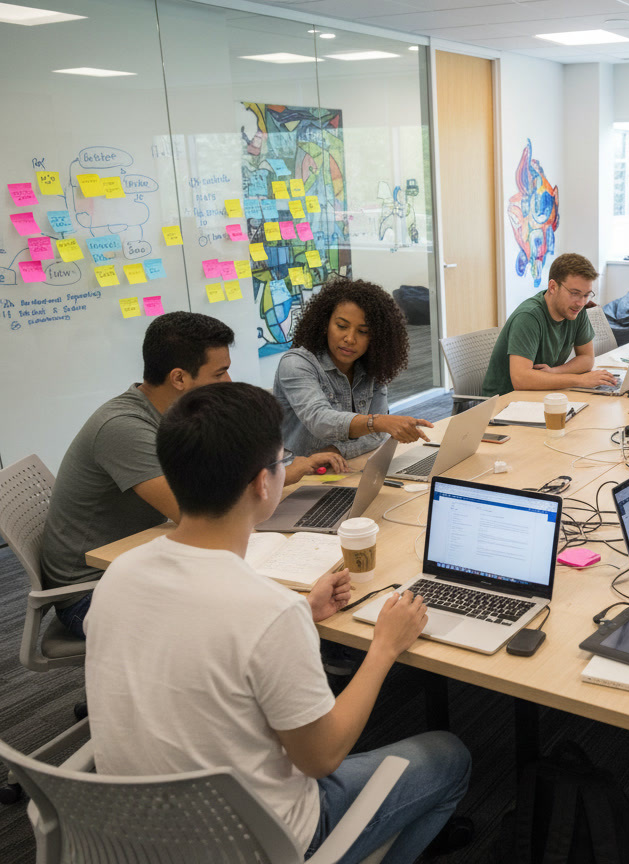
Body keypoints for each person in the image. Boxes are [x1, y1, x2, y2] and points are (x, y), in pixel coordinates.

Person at [84, 382, 470, 864]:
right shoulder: (267, 610)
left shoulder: (119, 575)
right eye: (283, 459)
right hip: (258, 846)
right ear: (261, 484)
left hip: (132, 837)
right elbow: (320, 758)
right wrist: (383, 648)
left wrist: (302, 613)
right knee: (448, 756)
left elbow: (198, 642)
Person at [40, 312, 344, 640]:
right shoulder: (123, 428)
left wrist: (283, 471)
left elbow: (221, 481)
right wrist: (270, 477)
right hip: (93, 590)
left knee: (260, 591)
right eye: (220, 372)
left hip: (142, 561)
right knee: (251, 608)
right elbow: (196, 513)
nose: (228, 381)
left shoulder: (182, 417)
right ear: (179, 378)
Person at [274, 279, 434, 459]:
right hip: (299, 472)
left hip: (347, 464)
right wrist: (377, 422)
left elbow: (377, 435)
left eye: (363, 331)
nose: (350, 339)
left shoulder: (372, 366)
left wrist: (336, 451)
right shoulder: (296, 364)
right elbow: (320, 421)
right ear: (325, 324)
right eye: (341, 326)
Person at [481, 252, 617, 396]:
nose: (581, 302)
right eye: (574, 293)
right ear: (552, 287)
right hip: (505, 401)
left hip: (541, 394)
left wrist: (554, 371)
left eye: (586, 295)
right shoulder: (528, 317)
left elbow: (587, 359)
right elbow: (521, 379)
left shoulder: (576, 311)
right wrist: (580, 380)